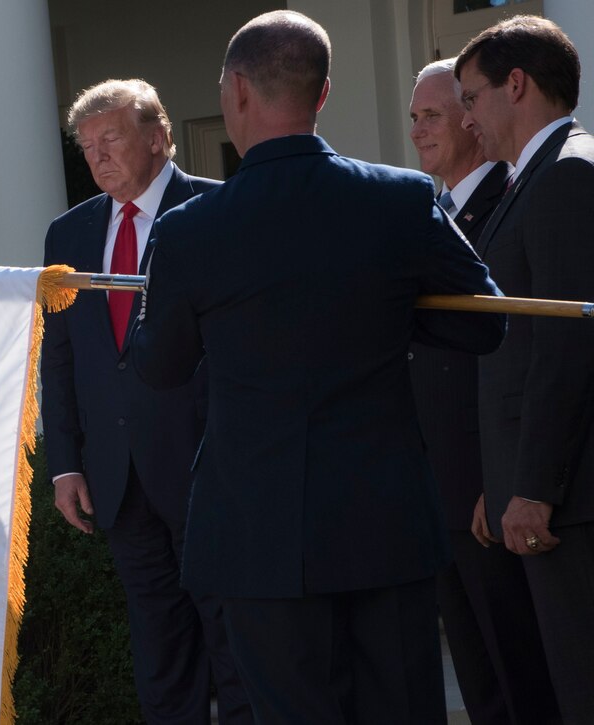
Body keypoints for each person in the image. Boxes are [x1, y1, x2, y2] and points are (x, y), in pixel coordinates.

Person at [132, 11, 505, 722]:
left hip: (258, 532)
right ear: (323, 94)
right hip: (383, 523)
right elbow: (485, 320)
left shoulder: (191, 230)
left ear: (237, 92)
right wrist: (392, 307)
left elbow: (161, 367)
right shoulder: (399, 199)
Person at [41, 78, 250, 723]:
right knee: (159, 652)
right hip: (117, 472)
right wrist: (66, 460)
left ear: (159, 136)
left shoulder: (220, 211)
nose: (98, 157)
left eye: (111, 139)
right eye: (87, 146)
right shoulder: (69, 234)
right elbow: (63, 354)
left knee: (235, 642)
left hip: (209, 467)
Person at [407, 59, 559, 724]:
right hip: (437, 492)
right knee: (476, 678)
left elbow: (523, 358)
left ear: (472, 119)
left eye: (434, 114)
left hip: (486, 494)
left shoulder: (508, 201)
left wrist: (494, 481)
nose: (420, 130)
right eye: (413, 117)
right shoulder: (428, 209)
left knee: (519, 679)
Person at [456, 16, 594, 721]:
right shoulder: (530, 179)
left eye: (470, 97)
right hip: (540, 498)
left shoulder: (569, 172)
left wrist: (534, 486)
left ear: (516, 84)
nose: (465, 118)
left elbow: (566, 347)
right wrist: (501, 481)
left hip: (572, 504)